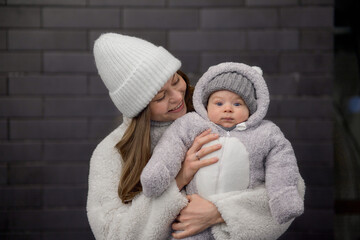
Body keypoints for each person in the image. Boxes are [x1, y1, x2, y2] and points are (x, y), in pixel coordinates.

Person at [86, 33, 305, 240]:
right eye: (161, 96)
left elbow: (290, 189)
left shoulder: (215, 112)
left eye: (175, 80)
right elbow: (111, 233)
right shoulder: (110, 152)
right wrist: (179, 180)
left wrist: (220, 212)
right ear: (139, 108)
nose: (177, 96)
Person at [141, 62, 304, 239]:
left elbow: (282, 163)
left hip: (236, 226)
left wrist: (283, 196)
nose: (227, 108)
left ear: (251, 109)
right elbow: (171, 145)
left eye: (237, 103)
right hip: (192, 224)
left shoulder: (265, 133)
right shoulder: (192, 124)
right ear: (206, 105)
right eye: (219, 103)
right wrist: (160, 175)